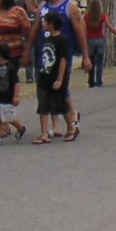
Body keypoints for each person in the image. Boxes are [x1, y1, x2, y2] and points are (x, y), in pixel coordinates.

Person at [23, 0, 91, 134]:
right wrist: (27, 51)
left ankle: (71, 115)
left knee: (60, 87)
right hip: (44, 54)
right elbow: (35, 30)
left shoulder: (70, 7)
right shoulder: (42, 7)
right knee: (46, 88)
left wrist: (86, 56)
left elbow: (80, 32)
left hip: (62, 55)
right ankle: (56, 125)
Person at [32, 11, 77, 143]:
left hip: (56, 77)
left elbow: (63, 60)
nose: (43, 24)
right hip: (44, 76)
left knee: (60, 104)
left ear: (51, 24)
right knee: (43, 104)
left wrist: (60, 79)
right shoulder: (46, 39)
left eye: (45, 22)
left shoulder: (62, 40)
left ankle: (71, 128)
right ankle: (44, 134)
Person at [0, 42, 26, 146]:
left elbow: (16, 83)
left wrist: (16, 96)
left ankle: (21, 128)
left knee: (9, 117)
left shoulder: (10, 68)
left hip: (7, 98)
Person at [84, 0, 116, 88]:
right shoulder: (102, 16)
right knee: (100, 62)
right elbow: (110, 27)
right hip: (100, 39)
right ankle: (99, 81)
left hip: (90, 39)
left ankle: (91, 80)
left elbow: (84, 29)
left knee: (91, 60)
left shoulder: (86, 17)